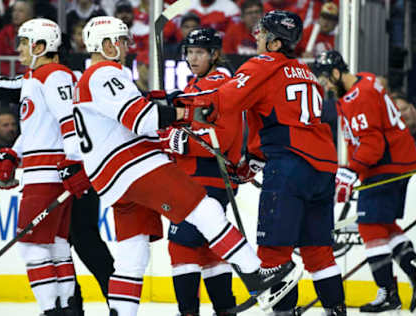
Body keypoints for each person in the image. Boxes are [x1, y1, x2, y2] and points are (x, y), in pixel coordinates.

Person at [75, 15, 302, 316]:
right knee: (203, 215)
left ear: (214, 54)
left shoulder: (87, 80)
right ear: (105, 44)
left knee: (133, 256)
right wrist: (178, 113)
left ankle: (122, 312)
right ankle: (254, 274)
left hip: (111, 178)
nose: (125, 47)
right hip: (135, 165)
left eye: (200, 52)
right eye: (119, 41)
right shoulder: (106, 73)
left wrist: (162, 104)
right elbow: (143, 120)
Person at [0, 18, 115, 316]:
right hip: (55, 170)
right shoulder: (36, 79)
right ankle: (66, 307)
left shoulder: (57, 75)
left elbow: (70, 123)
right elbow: (39, 125)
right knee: (59, 245)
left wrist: (74, 162)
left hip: (61, 172)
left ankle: (77, 307)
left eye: (24, 43)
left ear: (42, 46)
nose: (18, 49)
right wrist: (14, 152)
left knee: (58, 245)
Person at [182, 11, 347, 316]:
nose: (255, 37)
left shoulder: (263, 64)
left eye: (260, 33)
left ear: (273, 40)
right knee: (319, 252)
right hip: (323, 168)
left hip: (289, 167)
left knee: (273, 253)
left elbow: (224, 101)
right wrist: (254, 161)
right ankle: (336, 311)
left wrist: (177, 106)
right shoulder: (304, 71)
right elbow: (277, 116)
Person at [314, 50, 416, 313]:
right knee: (384, 226)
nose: (327, 86)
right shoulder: (365, 80)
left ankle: (388, 292)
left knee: (369, 227)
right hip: (397, 162)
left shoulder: (357, 96)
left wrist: (351, 171)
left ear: (338, 72)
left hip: (384, 166)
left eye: (328, 79)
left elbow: (372, 144)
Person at [158, 28, 245, 316]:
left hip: (203, 177)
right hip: (197, 177)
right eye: (190, 52)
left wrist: (178, 132)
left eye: (200, 52)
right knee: (209, 252)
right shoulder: (198, 84)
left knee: (181, 247)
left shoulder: (218, 82)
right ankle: (225, 310)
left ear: (215, 54)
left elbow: (217, 133)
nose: (193, 58)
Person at [0, 0, 34, 76]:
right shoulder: (4, 33)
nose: (16, 14)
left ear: (29, 15)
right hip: (7, 77)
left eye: (21, 11)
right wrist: (11, 74)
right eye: (14, 10)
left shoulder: (36, 34)